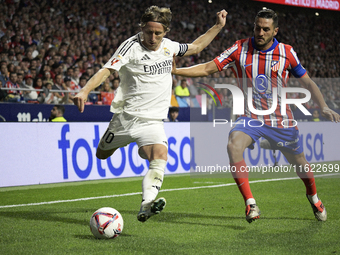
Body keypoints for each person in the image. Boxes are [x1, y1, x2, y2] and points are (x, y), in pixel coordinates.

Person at [172, 8, 340, 223]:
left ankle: (313, 197)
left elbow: (307, 82)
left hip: (281, 120)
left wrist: (323, 106)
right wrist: (177, 71)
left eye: (265, 29)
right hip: (250, 116)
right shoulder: (239, 47)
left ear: (275, 31)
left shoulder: (287, 52)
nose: (260, 33)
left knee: (301, 165)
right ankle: (251, 203)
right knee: (233, 145)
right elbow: (207, 68)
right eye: (257, 28)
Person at [73, 5, 227, 222]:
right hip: (126, 119)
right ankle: (131, 146)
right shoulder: (129, 47)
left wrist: (218, 26)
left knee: (160, 157)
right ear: (141, 28)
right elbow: (107, 70)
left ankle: (146, 204)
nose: (153, 37)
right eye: (148, 32)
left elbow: (195, 47)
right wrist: (85, 90)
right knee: (102, 154)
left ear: (165, 32)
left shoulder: (169, 46)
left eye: (158, 33)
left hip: (153, 120)